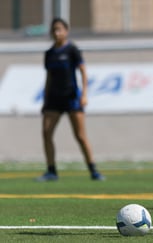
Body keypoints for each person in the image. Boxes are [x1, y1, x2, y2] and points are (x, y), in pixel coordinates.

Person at [36, 17, 105, 182]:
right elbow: (49, 78)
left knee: (80, 136)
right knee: (46, 133)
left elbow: (83, 72)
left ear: (66, 31)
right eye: (53, 30)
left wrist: (84, 94)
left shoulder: (72, 50)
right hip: (53, 99)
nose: (56, 32)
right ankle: (51, 171)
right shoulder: (49, 54)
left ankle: (93, 170)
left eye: (59, 29)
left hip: (71, 97)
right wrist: (45, 99)